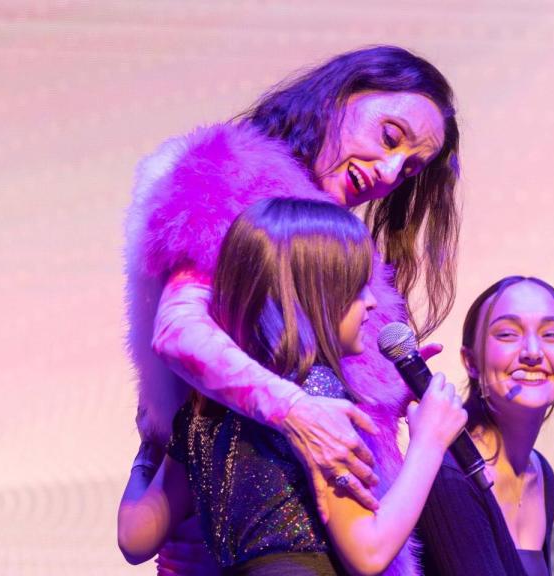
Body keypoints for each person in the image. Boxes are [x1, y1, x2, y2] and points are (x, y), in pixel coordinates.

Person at [121, 46, 460, 574]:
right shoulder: (236, 191)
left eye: (411, 168)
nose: (391, 170)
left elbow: (135, 534)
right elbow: (179, 329)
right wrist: (297, 409)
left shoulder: (323, 241)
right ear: (340, 96)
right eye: (389, 137)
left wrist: (378, 381)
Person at [119, 198, 467, 576]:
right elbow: (369, 550)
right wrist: (429, 441)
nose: (370, 303)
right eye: (356, 288)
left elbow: (136, 536)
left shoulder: (204, 408)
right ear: (311, 294)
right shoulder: (316, 396)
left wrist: (149, 450)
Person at [416, 277, 554, 576]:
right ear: (470, 361)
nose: (532, 352)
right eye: (507, 334)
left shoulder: (540, 472)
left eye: (552, 334)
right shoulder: (450, 475)